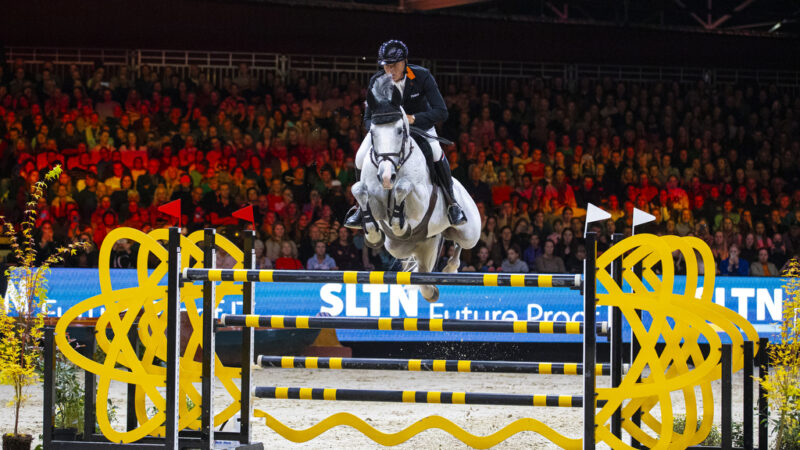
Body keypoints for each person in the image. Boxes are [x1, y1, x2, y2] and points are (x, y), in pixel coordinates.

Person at [344, 39, 466, 229]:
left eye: (394, 65)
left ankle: (452, 204)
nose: (390, 70)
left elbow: (441, 111)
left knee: (434, 151)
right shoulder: (377, 81)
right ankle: (361, 209)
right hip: (387, 132)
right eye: (386, 66)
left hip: (419, 127)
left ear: (404, 61)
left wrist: (414, 119)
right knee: (360, 157)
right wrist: (379, 128)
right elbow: (367, 118)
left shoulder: (421, 75)